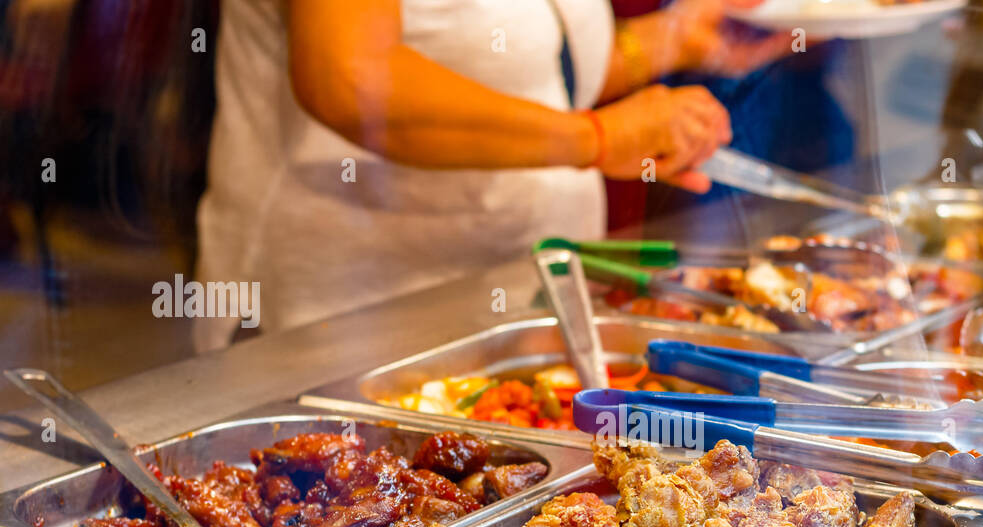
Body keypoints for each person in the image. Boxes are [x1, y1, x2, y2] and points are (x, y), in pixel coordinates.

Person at [194, 0, 791, 350]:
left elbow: (525, 71)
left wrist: (671, 40)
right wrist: (596, 140)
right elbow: (349, 79)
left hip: (515, 309)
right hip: (338, 320)